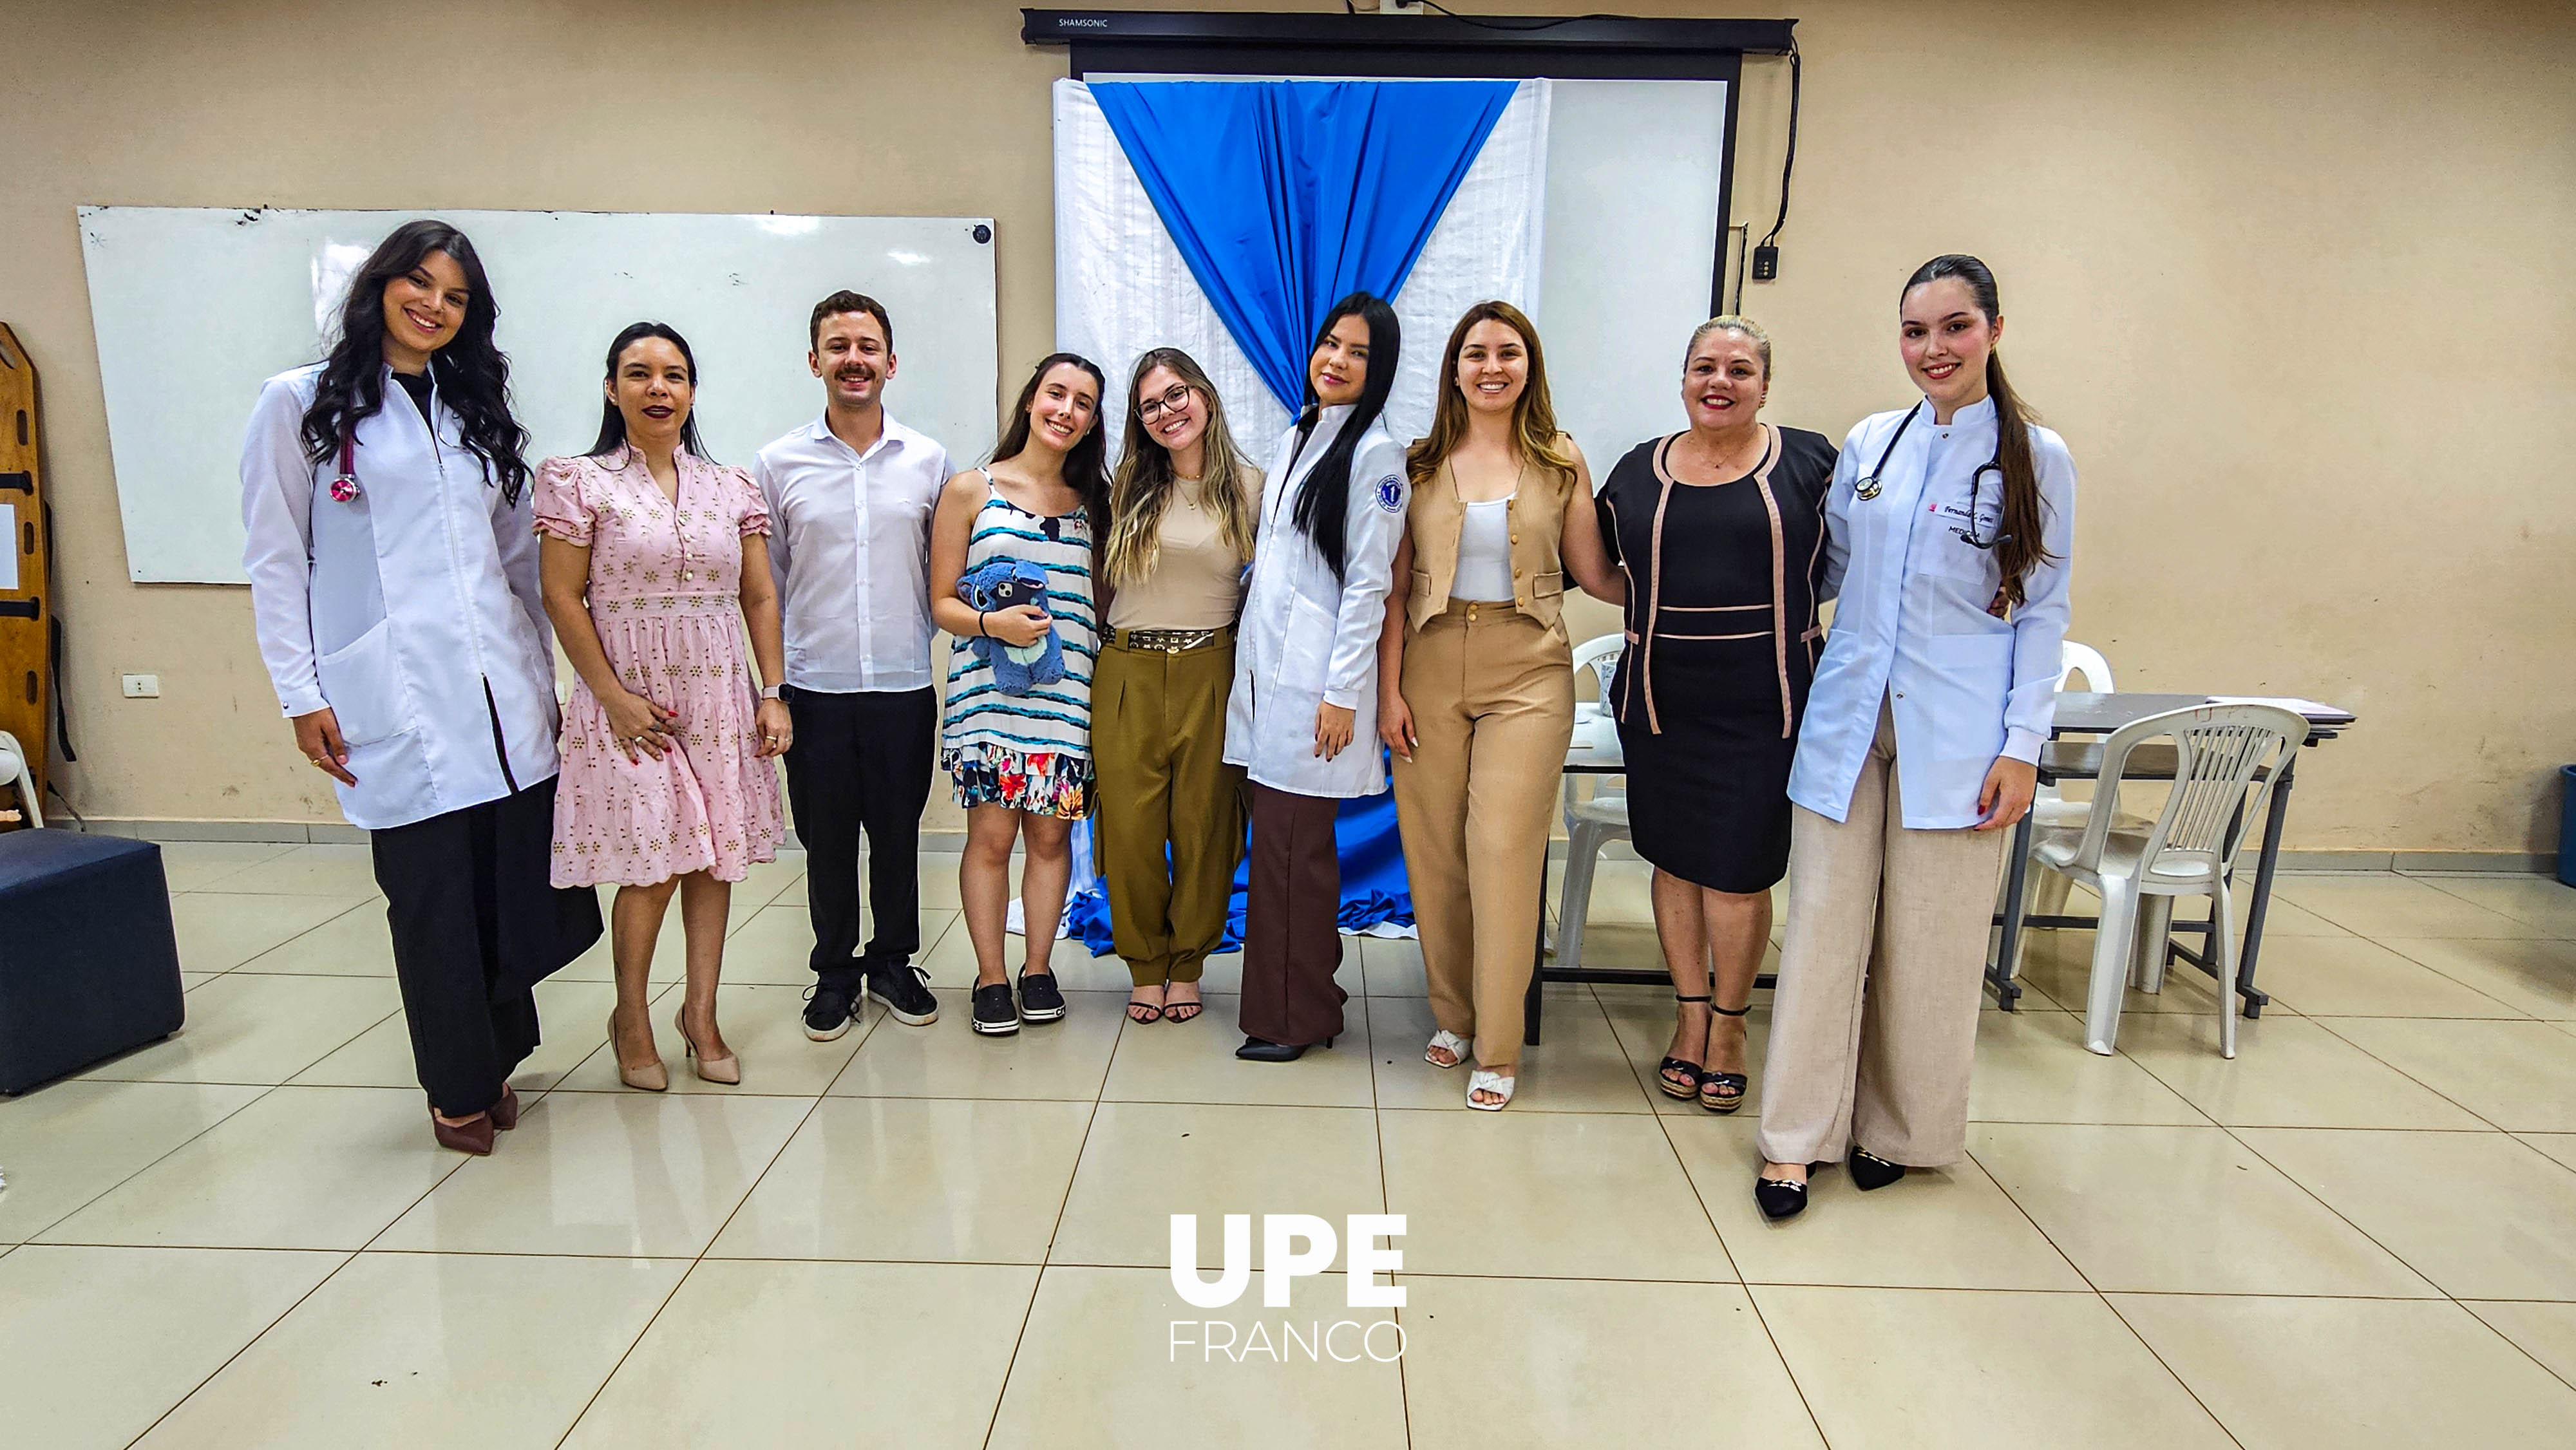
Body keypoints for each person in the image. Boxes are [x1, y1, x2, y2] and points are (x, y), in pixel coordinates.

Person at [242, 219, 601, 1156]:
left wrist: (549, 681)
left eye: (455, 296)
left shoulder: (470, 407)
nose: (434, 306)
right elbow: (277, 561)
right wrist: (300, 693)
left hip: (498, 693)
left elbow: (518, 561)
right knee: (432, 898)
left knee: (503, 889)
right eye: (420, 284)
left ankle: (497, 1060)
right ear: (380, 285)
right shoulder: (302, 405)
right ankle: (456, 1088)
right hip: (391, 693)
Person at [1753, 255, 2076, 1220]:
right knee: (1820, 932)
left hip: (1964, 736)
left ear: (1994, 331)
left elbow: (2044, 613)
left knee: (1929, 942)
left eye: (1953, 328)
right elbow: (1829, 568)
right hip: (1853, 718)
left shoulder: (2037, 455)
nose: (1932, 349)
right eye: (1914, 331)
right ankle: (1794, 1141)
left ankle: (1900, 1133)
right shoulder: (1871, 444)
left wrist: (2023, 744)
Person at [1378, 302, 1620, 1109]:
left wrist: (1687, 585)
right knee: (1436, 850)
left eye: (1508, 352)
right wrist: (1387, 693)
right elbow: (1390, 590)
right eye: (1476, 353)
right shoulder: (1417, 462)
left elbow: (1598, 572)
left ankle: (1500, 1044)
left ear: (1528, 365)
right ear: (1453, 368)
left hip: (1530, 671)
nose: (1492, 366)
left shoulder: (1561, 459)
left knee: (1503, 848)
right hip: (1430, 664)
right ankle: (1452, 1013)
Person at [1595, 317, 1838, 1120]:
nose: (1719, 381)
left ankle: (1730, 1028)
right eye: (1704, 367)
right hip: (1660, 702)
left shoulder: (1810, 463)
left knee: (1736, 872)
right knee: (1673, 862)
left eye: (1739, 369)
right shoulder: (1637, 470)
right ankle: (1688, 1015)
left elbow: (1842, 567)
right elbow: (1599, 569)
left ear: (1764, 385)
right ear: (1683, 378)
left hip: (1765, 703)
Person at [536, 322, 788, 1090]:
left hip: (718, 693)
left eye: (674, 375)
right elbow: (560, 593)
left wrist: (771, 692)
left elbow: (758, 592)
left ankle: (701, 1013)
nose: (658, 388)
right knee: (651, 867)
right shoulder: (578, 480)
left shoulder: (730, 484)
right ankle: (631, 1016)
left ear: (691, 391)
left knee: (715, 861)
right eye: (639, 373)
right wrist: (611, 696)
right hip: (628, 696)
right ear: (612, 388)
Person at [753, 293, 951, 1042]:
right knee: (827, 841)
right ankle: (834, 971)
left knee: (898, 836)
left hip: (902, 683)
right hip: (816, 691)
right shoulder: (777, 464)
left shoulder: (929, 461)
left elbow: (945, 574)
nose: (853, 359)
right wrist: (772, 689)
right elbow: (764, 585)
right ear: (815, 362)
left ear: (890, 363)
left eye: (868, 346)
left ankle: (895, 961)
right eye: (838, 346)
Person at [1226, 294, 1407, 1064]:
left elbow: (1370, 585)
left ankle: (1293, 1017)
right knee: (1280, 849)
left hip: (1316, 690)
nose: (1335, 360)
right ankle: (1306, 1002)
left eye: (1357, 352)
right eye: (1330, 344)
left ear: (1381, 368)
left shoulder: (1376, 455)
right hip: (1272, 676)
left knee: (1293, 854)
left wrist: (1341, 693)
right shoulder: (1301, 431)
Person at [929, 353, 1108, 1037]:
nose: (1065, 409)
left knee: (1051, 837)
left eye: (1082, 402)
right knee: (993, 837)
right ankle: (990, 974)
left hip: (1067, 706)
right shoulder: (972, 490)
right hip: (987, 700)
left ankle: (1037, 967)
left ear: (1092, 421)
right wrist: (989, 622)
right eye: (1055, 393)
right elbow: (941, 601)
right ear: (1031, 400)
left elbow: (1100, 606)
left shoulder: (1097, 502)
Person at [1094, 348, 1260, 1026]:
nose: (1167, 411)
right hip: (1127, 669)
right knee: (1130, 830)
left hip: (1212, 669)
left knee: (1205, 827)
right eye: (1150, 404)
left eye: (1176, 394)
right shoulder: (1123, 486)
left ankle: (1186, 963)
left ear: (1207, 397)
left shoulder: (1253, 486)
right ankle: (1144, 964)